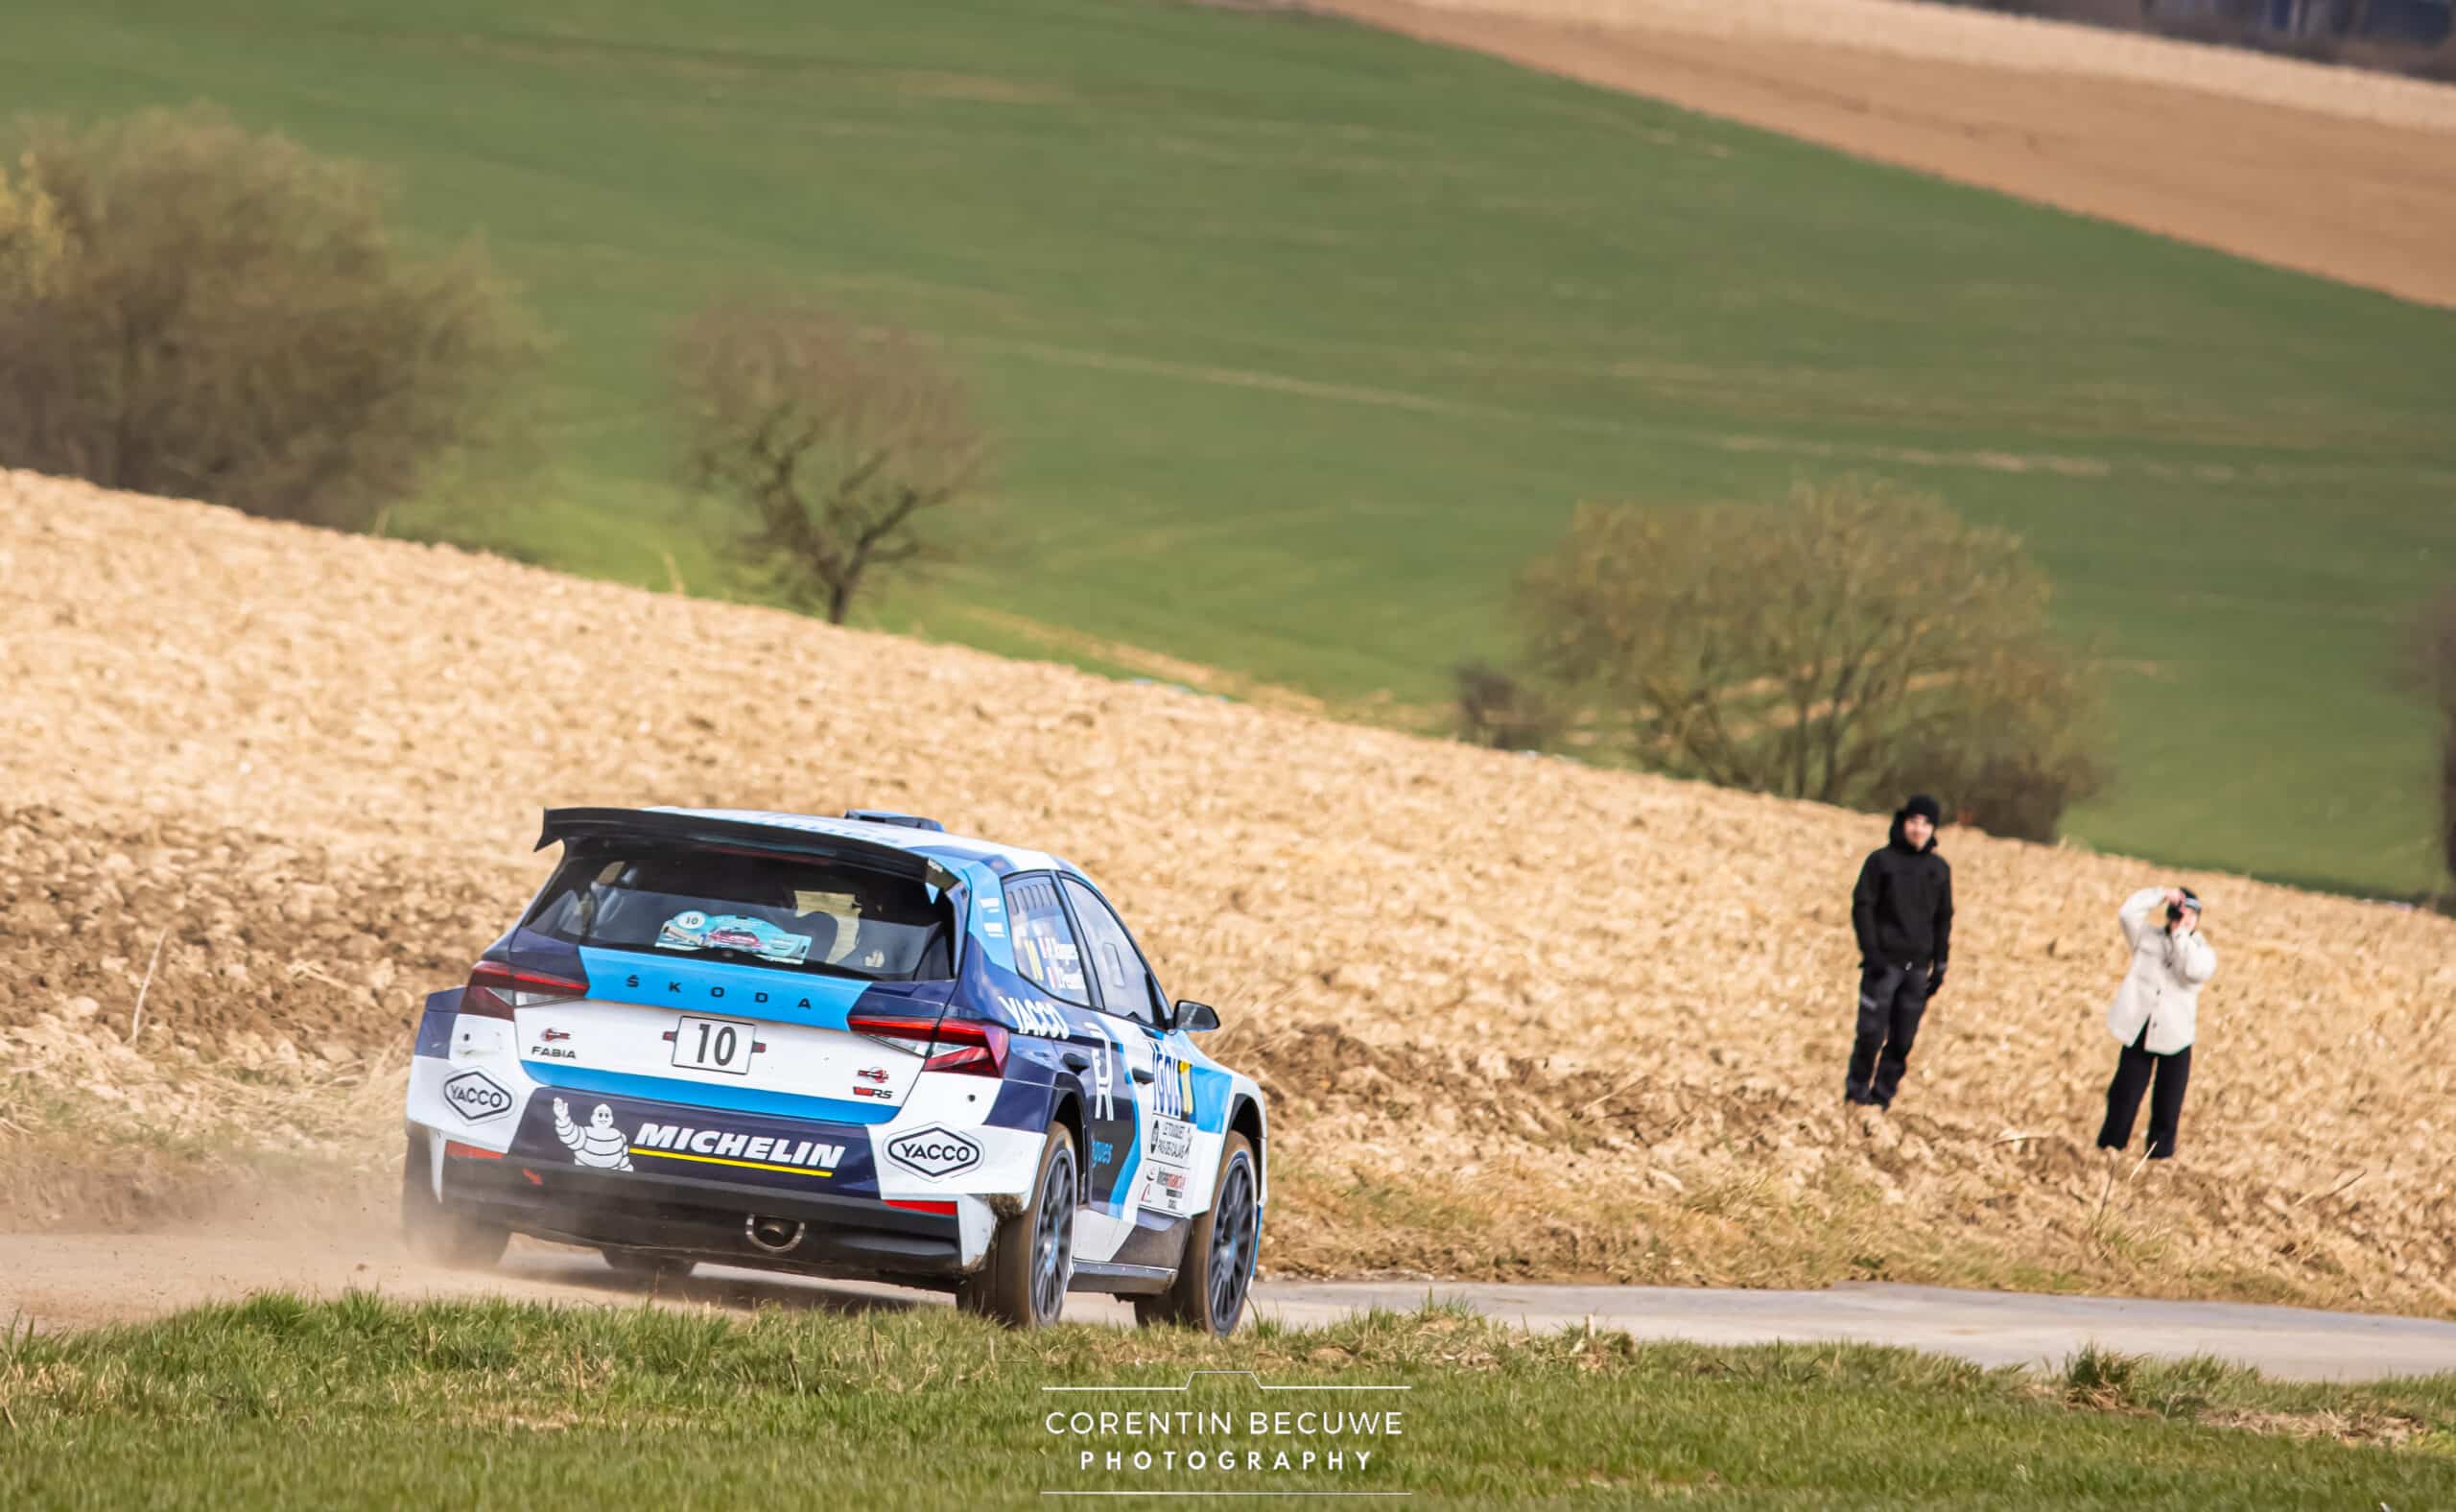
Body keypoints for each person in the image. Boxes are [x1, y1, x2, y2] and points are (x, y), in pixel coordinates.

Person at [1847, 793, 1954, 1109]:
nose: (1918, 829)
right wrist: (1872, 953)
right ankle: (1856, 1095)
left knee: (1902, 1040)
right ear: (1903, 823)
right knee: (1870, 1034)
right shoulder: (1880, 862)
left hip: (1917, 970)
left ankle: (1881, 1100)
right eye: (1913, 822)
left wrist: (1940, 964)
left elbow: (1943, 918)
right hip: (1883, 966)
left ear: (1933, 829)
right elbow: (1862, 907)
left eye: (1926, 824)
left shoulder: (1939, 869)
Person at [2097, 886, 2215, 1161]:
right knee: (2124, 1094)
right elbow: (2127, 914)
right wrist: (2161, 895)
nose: (2184, 919)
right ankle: (2109, 1150)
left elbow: (2192, 971)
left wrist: (2180, 935)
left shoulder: (2202, 951)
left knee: (2168, 1102)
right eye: (2180, 913)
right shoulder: (2146, 937)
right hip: (2139, 1028)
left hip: (2176, 1035)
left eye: (2191, 915)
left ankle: (2159, 1159)